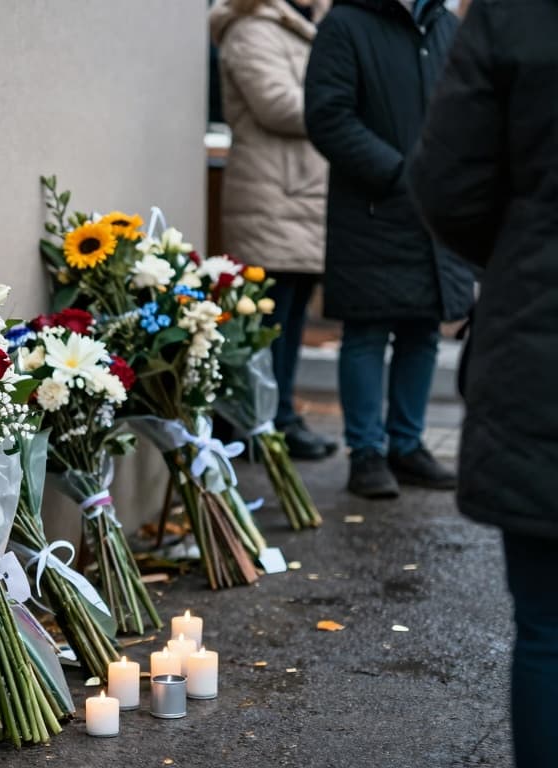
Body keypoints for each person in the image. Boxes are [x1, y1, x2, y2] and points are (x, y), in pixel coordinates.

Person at [408, 2, 558, 764]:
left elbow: (447, 181)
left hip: (542, 332)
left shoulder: (513, 11)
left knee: (548, 628)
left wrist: (526, 249)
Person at [303, 0, 474, 499]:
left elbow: (465, 108)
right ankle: (367, 453)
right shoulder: (346, 23)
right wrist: (399, 173)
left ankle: (407, 445)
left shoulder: (445, 26)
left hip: (433, 209)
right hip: (374, 208)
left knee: (423, 330)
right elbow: (328, 116)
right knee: (367, 330)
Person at [209, 0, 338, 460]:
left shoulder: (310, 24)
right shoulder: (252, 28)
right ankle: (262, 421)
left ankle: (276, 417)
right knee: (268, 319)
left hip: (301, 195)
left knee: (292, 312)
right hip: (272, 196)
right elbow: (277, 105)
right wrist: (342, 107)